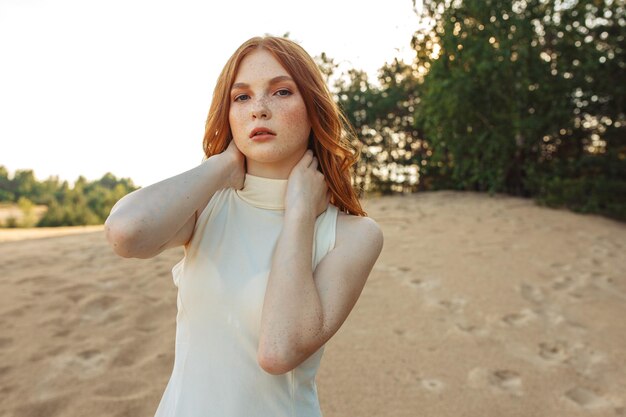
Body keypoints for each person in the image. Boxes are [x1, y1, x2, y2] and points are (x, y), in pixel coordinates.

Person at [104, 35, 384, 417]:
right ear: (229, 114)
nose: (259, 109)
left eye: (281, 92)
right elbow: (125, 232)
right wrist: (221, 166)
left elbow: (278, 350)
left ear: (312, 107)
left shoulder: (353, 235)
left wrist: (300, 214)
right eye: (242, 97)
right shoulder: (206, 207)